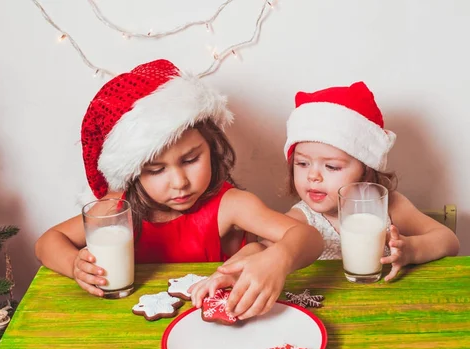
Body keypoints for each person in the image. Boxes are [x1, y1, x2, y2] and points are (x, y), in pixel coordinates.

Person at [35, 59, 324, 319]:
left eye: (190, 159)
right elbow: (48, 241)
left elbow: (309, 237)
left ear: (211, 147)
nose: (179, 182)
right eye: (156, 170)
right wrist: (74, 264)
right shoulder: (116, 209)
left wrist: (278, 258)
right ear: (133, 173)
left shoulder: (232, 206)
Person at [278, 81, 459, 281]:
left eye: (331, 167)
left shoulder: (390, 207)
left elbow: (449, 241)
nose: (313, 176)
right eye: (302, 163)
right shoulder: (300, 219)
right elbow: (262, 250)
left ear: (366, 169)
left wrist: (411, 250)